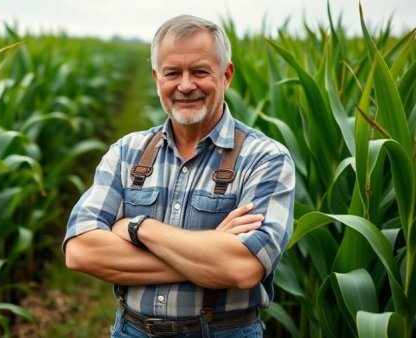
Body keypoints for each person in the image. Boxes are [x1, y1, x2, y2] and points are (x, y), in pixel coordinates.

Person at [63, 14, 295, 338]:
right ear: (158, 78)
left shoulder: (265, 158)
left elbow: (242, 268)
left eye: (200, 71)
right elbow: (80, 251)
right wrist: (208, 261)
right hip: (132, 330)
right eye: (173, 73)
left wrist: (138, 228)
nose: (186, 86)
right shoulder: (126, 152)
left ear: (226, 75)